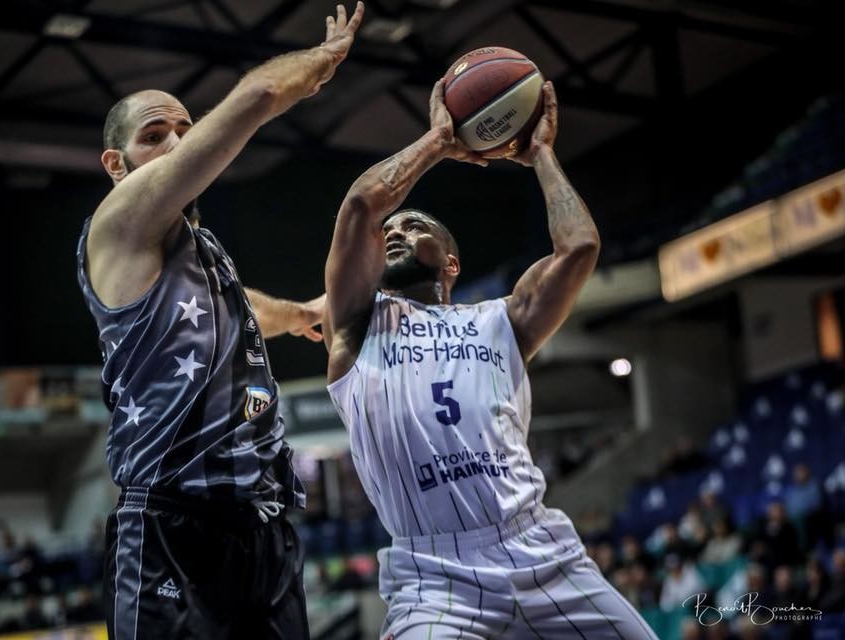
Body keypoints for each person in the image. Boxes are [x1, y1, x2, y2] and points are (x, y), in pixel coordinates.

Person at [324, 78, 656, 638]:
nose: (397, 231)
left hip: (541, 550)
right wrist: (438, 141)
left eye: (415, 226)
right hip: (433, 575)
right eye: (392, 228)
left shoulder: (501, 320)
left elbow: (578, 247)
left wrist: (541, 154)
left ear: (451, 263)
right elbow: (361, 205)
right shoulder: (357, 323)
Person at [76, 3, 364, 638]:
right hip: (172, 525)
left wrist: (302, 313)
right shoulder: (117, 226)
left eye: (185, 129)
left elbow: (239, 305)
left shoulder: (198, 250)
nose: (178, 143)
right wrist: (318, 62)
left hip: (262, 523)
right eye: (155, 135)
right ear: (116, 165)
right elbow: (257, 96)